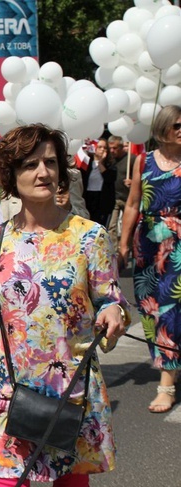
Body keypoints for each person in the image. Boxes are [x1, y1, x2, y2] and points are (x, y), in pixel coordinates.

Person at [0, 124, 129, 487]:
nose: (43, 172)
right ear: (10, 173)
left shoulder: (89, 236)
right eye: (29, 164)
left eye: (50, 162)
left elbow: (111, 299)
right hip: (4, 391)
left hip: (69, 390)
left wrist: (114, 314)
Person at [119, 104, 181, 414]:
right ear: (162, 128)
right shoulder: (143, 162)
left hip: (178, 246)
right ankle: (171, 361)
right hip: (147, 244)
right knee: (149, 310)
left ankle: (166, 384)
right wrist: (123, 244)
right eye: (177, 126)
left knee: (169, 308)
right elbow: (132, 205)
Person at [81, 138, 116, 227]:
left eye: (105, 148)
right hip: (88, 197)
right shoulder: (87, 163)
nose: (102, 149)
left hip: (101, 199)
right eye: (100, 147)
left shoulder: (110, 164)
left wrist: (100, 163)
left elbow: (110, 178)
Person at [107, 137, 131, 250]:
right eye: (110, 148)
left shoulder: (132, 159)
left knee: (128, 226)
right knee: (112, 226)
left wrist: (133, 181)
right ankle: (114, 252)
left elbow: (141, 178)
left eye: (115, 148)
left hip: (128, 198)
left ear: (121, 147)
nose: (112, 151)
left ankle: (127, 248)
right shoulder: (110, 161)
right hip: (114, 198)